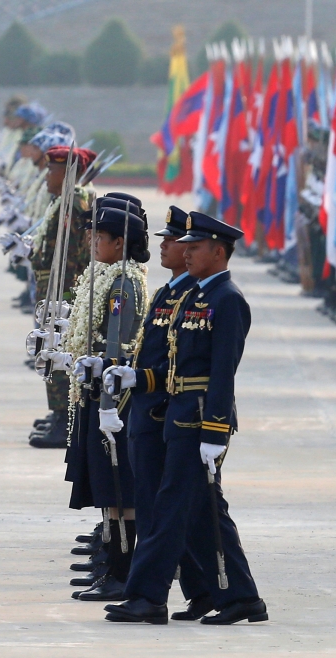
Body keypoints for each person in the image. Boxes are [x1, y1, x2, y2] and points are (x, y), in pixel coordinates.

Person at [102, 212, 267, 625]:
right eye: (186, 245)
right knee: (202, 511)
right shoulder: (194, 298)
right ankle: (240, 597)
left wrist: (214, 432)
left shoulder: (228, 300)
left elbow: (221, 373)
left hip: (198, 420)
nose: (186, 252)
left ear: (218, 251)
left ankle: (147, 595)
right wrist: (137, 378)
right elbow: (174, 367)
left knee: (173, 508)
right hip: (176, 414)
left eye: (194, 247)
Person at [50, 201, 149, 601]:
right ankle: (110, 564)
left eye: (100, 237)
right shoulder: (106, 275)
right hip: (96, 389)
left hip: (113, 397)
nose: (92, 242)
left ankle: (121, 573)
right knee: (107, 489)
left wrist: (102, 387)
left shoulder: (122, 284)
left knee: (118, 490)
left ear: (120, 243)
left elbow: (116, 346)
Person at [120, 205, 210, 619]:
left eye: (173, 242)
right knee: (192, 513)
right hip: (154, 412)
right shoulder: (167, 293)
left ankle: (149, 596)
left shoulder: (199, 297)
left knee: (166, 514)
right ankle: (214, 592)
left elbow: (195, 367)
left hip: (169, 413)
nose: (167, 247)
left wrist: (151, 393)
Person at [28, 145, 96, 448]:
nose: (46, 176)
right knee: (49, 349)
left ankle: (66, 419)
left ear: (68, 173)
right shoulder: (62, 202)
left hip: (65, 290)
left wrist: (70, 295)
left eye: (52, 169)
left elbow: (78, 255)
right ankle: (58, 413)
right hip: (54, 288)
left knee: (60, 352)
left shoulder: (76, 203)